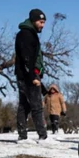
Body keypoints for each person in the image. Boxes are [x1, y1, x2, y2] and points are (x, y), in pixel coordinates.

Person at [15, 8, 48, 141]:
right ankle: (42, 135)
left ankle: (22, 135)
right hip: (28, 75)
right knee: (36, 106)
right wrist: (33, 76)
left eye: (44, 22)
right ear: (34, 21)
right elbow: (27, 57)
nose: (43, 25)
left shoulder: (29, 34)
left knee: (24, 105)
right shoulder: (26, 34)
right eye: (41, 22)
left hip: (25, 75)